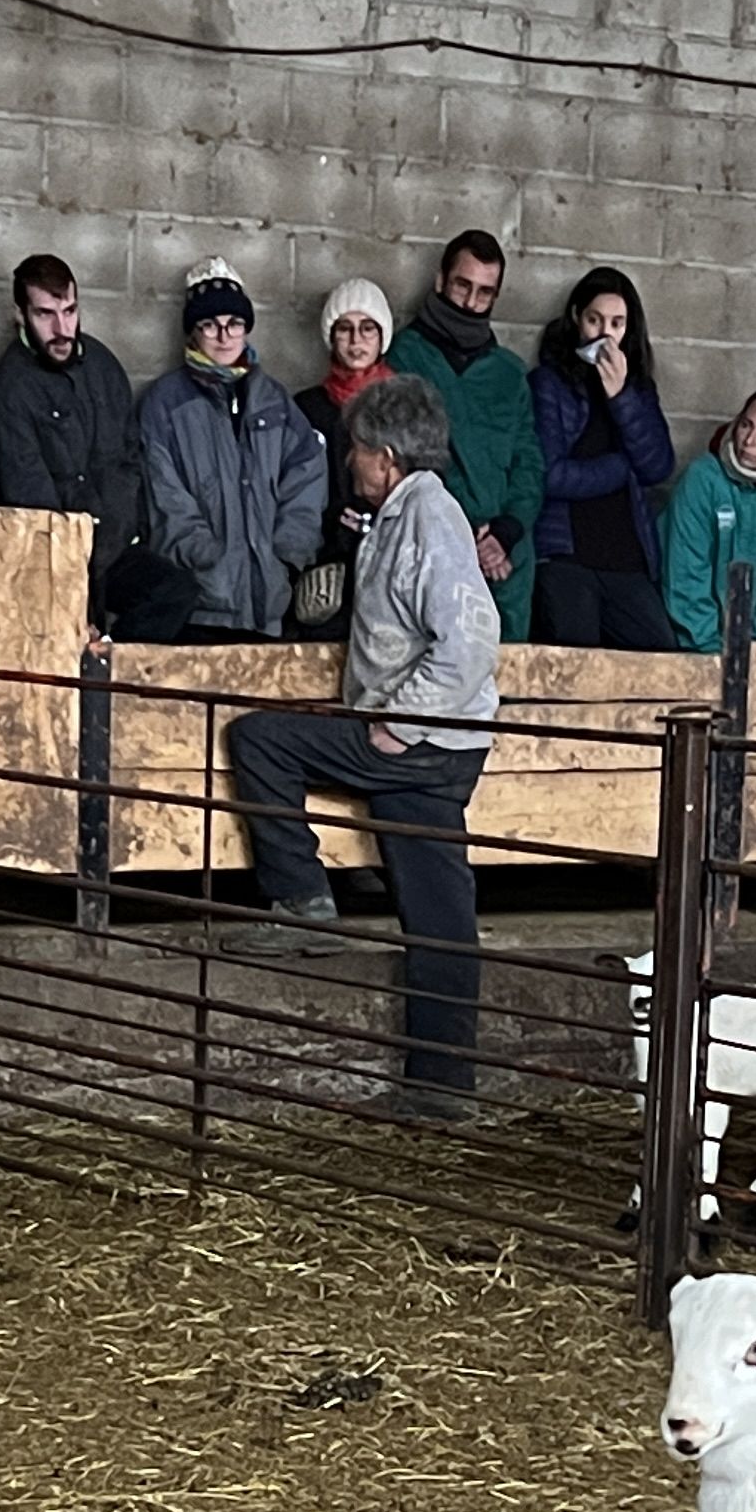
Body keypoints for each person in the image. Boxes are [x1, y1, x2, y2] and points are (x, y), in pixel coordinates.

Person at [221, 372, 498, 1114]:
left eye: (357, 453)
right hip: (438, 741)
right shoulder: (404, 515)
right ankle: (441, 1090)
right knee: (439, 914)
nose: (350, 463)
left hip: (426, 737)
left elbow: (471, 641)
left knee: (261, 739)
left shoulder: (430, 520)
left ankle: (303, 897)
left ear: (385, 456)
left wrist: (396, 723)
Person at [0, 251, 186, 642]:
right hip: (51, 558)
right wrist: (75, 577)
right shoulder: (10, 391)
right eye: (45, 314)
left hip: (111, 545)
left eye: (70, 311)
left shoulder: (103, 365)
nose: (62, 328)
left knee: (174, 590)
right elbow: (28, 494)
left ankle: (113, 663)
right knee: (69, 642)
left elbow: (129, 458)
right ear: (20, 315)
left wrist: (122, 531)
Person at [137, 258, 324, 646]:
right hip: (200, 603)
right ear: (193, 333)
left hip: (269, 606)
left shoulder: (275, 402)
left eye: (234, 324)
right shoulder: (165, 404)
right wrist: (208, 557)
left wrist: (285, 556)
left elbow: (306, 473)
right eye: (210, 325)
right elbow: (164, 494)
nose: (224, 336)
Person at [384, 230, 544, 644]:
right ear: (440, 281)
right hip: (432, 540)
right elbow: (406, 457)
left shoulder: (509, 374)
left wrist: (506, 532)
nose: (471, 303)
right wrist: (464, 531)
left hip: (504, 555)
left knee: (505, 680)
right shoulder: (404, 356)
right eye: (462, 285)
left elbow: (529, 462)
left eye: (484, 293)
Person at [525, 267, 678, 652]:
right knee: (573, 668)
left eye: (617, 323)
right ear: (577, 318)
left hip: (626, 558)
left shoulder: (639, 388)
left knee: (659, 656)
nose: (605, 335)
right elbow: (551, 475)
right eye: (595, 320)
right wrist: (620, 467)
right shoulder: (549, 383)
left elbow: (659, 466)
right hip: (566, 556)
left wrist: (621, 396)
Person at [662, 386, 756, 656]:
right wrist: (710, 649)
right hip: (691, 636)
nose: (749, 441)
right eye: (746, 425)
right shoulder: (702, 478)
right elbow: (686, 574)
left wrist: (753, 643)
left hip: (752, 642)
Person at [291, 276, 393, 638]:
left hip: (390, 561)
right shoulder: (306, 408)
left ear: (382, 337)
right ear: (330, 338)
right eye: (344, 329)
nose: (356, 341)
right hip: (327, 565)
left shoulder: (403, 406)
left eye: (368, 329)